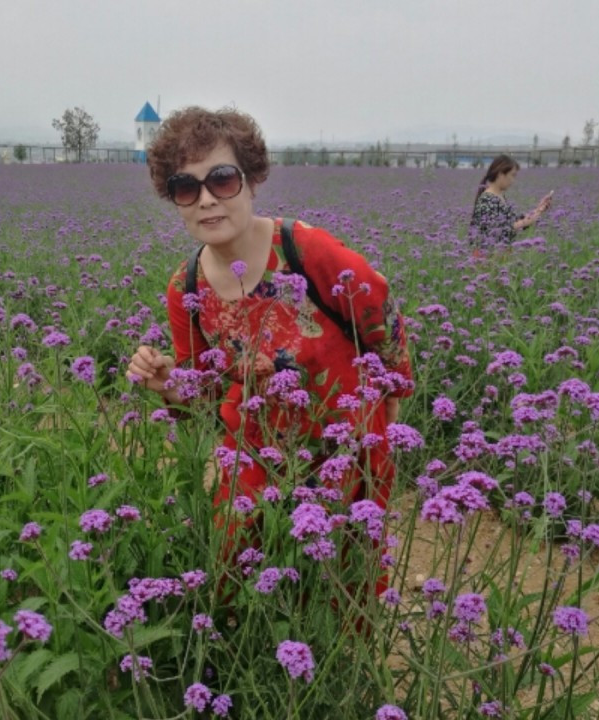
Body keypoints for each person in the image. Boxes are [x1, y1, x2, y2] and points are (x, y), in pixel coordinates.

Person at [125, 107, 413, 596]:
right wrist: (168, 384)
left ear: (252, 180)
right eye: (185, 187)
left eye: (222, 179)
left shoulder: (306, 250)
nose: (207, 199)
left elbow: (381, 318)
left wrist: (387, 417)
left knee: (346, 586)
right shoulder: (185, 287)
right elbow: (203, 393)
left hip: (345, 449)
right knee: (235, 576)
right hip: (255, 455)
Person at [469, 154, 552, 249]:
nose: (513, 180)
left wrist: (539, 209)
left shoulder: (498, 196)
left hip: (500, 254)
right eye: (512, 175)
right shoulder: (487, 199)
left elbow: (513, 221)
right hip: (488, 255)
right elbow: (495, 231)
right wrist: (525, 223)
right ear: (500, 174)